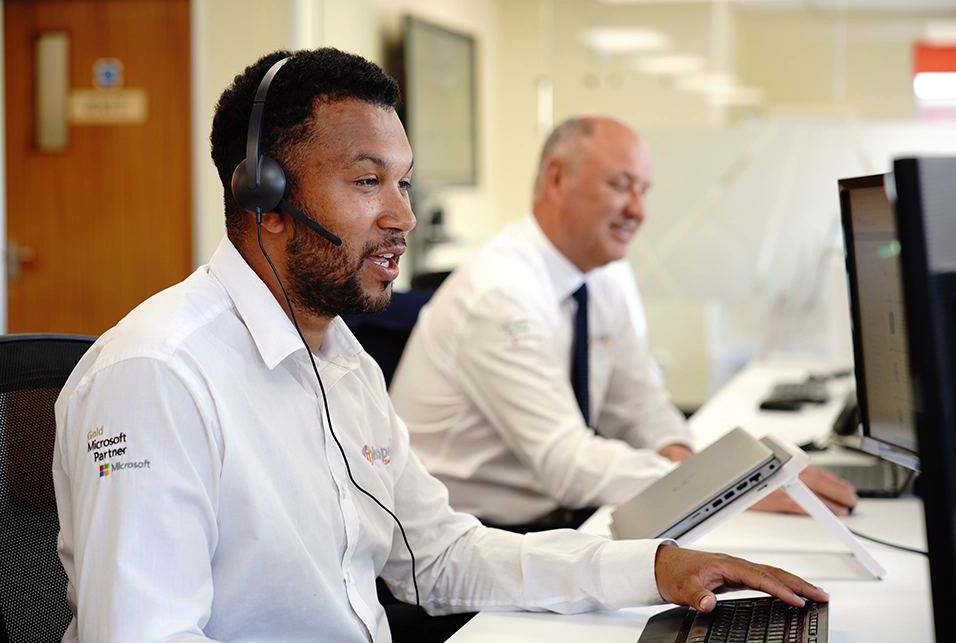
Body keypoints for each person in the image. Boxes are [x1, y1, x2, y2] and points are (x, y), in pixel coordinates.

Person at [52, 49, 829, 643]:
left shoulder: (339, 360)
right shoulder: (157, 376)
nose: (403, 217)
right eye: (367, 183)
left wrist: (652, 567)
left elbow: (443, 555)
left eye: (406, 184)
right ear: (266, 196)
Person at [389, 115, 858, 532]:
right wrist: (721, 480)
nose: (639, 210)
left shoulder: (603, 271)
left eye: (644, 190)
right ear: (557, 179)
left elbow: (637, 402)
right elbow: (565, 463)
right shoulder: (500, 293)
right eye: (621, 185)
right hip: (465, 541)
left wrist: (684, 459)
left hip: (557, 521)